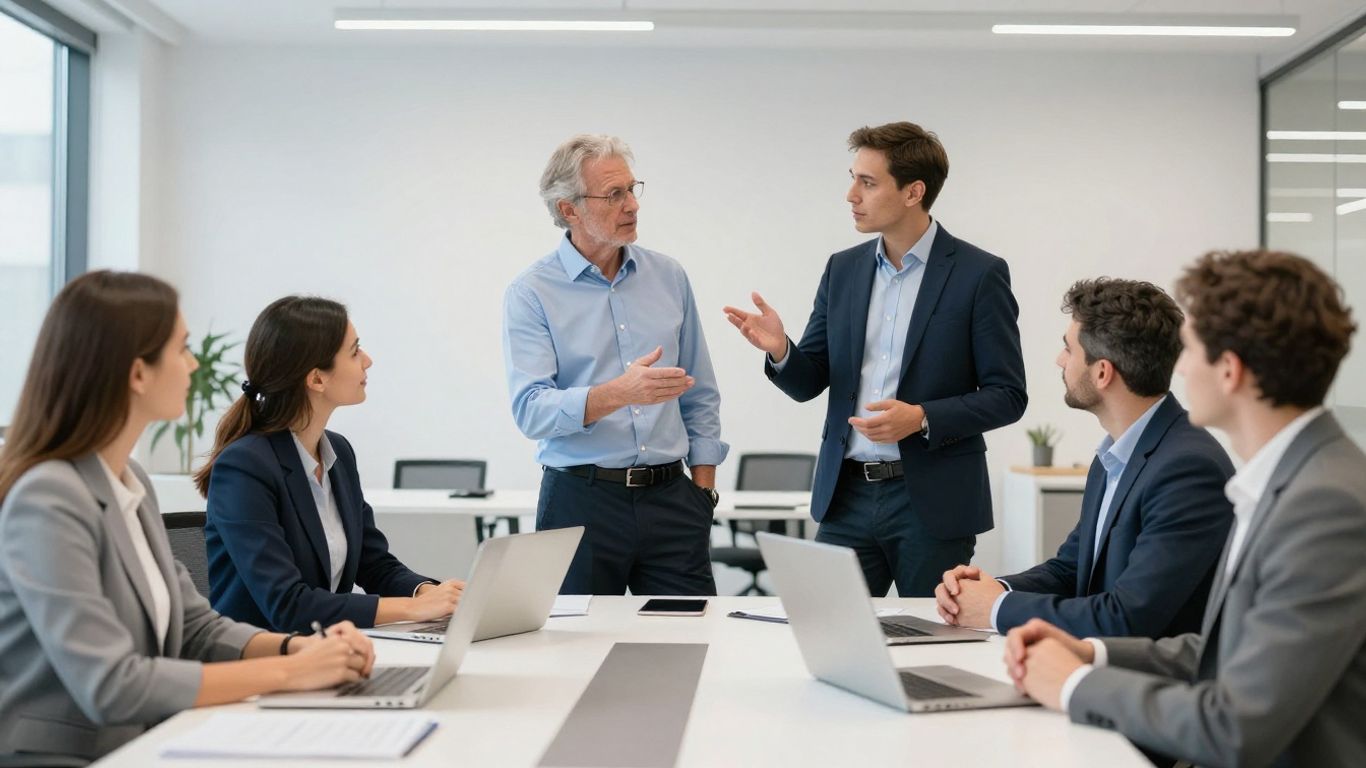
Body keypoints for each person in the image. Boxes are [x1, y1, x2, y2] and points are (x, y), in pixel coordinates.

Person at [1005, 250, 1366, 768]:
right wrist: (1091, 653)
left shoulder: (1325, 504)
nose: (1178, 366)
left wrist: (1076, 684)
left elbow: (1234, 728)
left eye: (1190, 350)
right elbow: (1229, 651)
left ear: (1229, 372)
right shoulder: (1291, 479)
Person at [0, 272, 374, 763]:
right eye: (181, 349)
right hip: (72, 755)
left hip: (147, 740)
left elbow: (198, 628)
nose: (194, 365)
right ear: (138, 374)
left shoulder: (128, 479)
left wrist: (295, 650)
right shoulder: (48, 498)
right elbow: (111, 684)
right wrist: (294, 672)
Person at [724, 121, 1026, 597]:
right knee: (826, 629)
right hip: (846, 497)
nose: (850, 194)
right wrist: (782, 350)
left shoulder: (979, 274)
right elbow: (810, 382)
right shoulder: (842, 269)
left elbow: (1008, 395)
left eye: (867, 182)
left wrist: (923, 418)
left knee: (931, 645)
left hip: (931, 500)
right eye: (853, 178)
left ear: (914, 192)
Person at [935, 278, 1234, 637]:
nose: (1059, 360)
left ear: (1102, 372)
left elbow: (1127, 617)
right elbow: (1071, 569)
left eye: (1069, 350)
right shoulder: (1115, 455)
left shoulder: (1187, 469)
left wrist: (995, 610)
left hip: (1150, 681)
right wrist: (992, 589)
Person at [504, 133, 727, 595]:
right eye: (614, 195)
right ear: (569, 209)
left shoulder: (669, 277)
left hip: (672, 500)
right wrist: (617, 394)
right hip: (580, 502)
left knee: (685, 644)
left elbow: (700, 390)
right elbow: (531, 410)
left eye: (632, 189)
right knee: (574, 652)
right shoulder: (532, 293)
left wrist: (702, 491)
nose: (632, 205)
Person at [199, 296, 464, 632]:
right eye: (355, 351)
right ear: (317, 380)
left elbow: (373, 563)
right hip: (261, 662)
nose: (368, 360)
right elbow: (287, 604)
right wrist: (413, 608)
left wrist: (431, 592)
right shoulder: (244, 467)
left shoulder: (338, 452)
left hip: (324, 648)